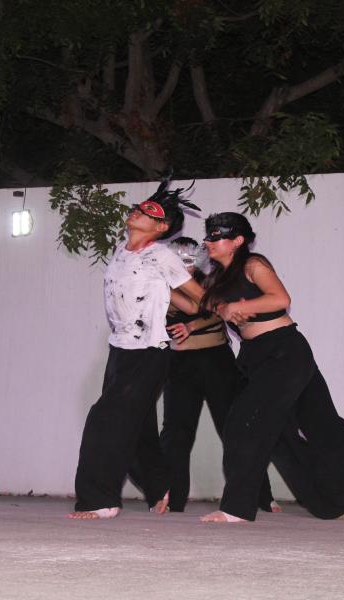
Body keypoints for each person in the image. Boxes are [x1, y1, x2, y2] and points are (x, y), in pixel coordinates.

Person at [197, 212, 344, 523]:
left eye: (216, 235)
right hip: (255, 357)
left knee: (247, 424)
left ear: (237, 241)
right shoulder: (216, 278)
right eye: (208, 235)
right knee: (316, 425)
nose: (208, 241)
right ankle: (336, 502)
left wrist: (239, 307)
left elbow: (280, 298)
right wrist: (216, 305)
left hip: (284, 351)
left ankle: (236, 508)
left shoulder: (253, 265)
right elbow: (208, 305)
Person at [67, 180, 205, 520]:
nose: (137, 211)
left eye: (148, 211)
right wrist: (161, 292)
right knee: (138, 427)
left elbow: (199, 301)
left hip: (148, 351)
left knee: (105, 421)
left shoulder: (161, 254)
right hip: (120, 350)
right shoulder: (121, 249)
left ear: (161, 227)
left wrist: (190, 315)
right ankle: (162, 489)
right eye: (138, 207)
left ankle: (101, 501)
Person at [161, 237, 278, 514]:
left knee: (235, 428)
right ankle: (171, 499)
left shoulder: (213, 281)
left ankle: (261, 495)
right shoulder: (161, 284)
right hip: (179, 363)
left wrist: (192, 325)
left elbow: (222, 312)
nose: (186, 266)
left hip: (216, 359)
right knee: (176, 432)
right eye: (180, 260)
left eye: (190, 260)